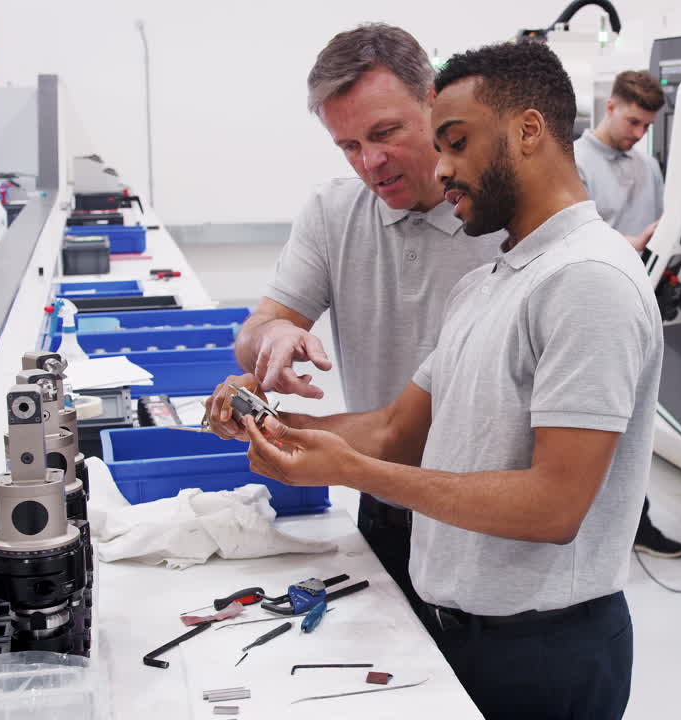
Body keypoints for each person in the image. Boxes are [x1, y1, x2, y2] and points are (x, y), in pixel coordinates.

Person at [238, 41, 661, 720]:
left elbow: (554, 508)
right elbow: (398, 430)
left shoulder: (589, 280)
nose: (441, 169)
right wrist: (276, 428)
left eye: (455, 143)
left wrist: (354, 471)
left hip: (543, 652)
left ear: (527, 131)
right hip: (460, 629)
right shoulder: (489, 284)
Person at [206, 24, 501, 621]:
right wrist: (274, 338)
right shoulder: (333, 212)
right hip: (386, 504)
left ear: (433, 100)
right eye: (348, 146)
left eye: (385, 133)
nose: (371, 161)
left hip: (490, 521)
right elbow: (257, 331)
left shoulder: (502, 221)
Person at [575, 69, 681, 559]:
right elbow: (570, 232)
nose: (638, 134)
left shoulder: (647, 166)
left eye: (647, 127)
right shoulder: (575, 162)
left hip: (642, 303)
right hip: (590, 307)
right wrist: (626, 242)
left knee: (634, 423)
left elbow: (664, 225)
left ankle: (632, 522)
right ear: (611, 107)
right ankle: (585, 525)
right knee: (592, 424)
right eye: (633, 122)